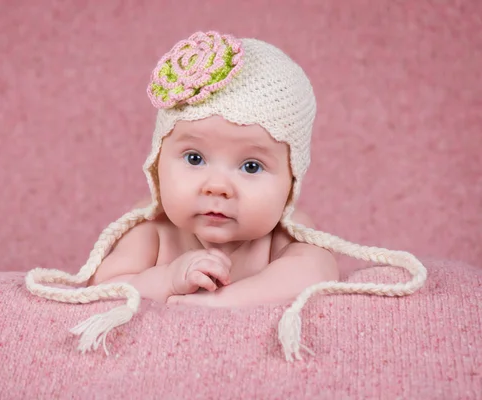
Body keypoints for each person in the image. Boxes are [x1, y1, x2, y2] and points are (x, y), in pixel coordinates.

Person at [25, 31, 427, 362]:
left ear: (290, 182)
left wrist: (223, 303)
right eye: (195, 158)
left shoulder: (286, 234)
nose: (217, 186)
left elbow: (318, 271)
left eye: (251, 166)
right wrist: (167, 277)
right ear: (157, 163)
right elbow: (104, 286)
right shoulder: (153, 232)